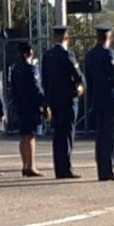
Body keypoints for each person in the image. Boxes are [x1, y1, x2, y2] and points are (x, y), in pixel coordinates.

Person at [42, 25, 85, 179]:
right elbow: (78, 76)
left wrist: (46, 100)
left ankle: (58, 168)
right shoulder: (67, 55)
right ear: (67, 38)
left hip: (54, 100)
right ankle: (66, 169)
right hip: (67, 100)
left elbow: (45, 80)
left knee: (57, 136)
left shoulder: (48, 56)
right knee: (67, 134)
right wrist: (81, 87)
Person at [85, 24, 114, 182]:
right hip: (111, 99)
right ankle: (108, 170)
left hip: (97, 98)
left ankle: (101, 168)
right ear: (109, 37)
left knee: (100, 136)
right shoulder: (109, 53)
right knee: (110, 136)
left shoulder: (90, 55)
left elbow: (89, 79)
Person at [10, 43, 45, 177]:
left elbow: (13, 88)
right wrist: (43, 102)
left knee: (24, 136)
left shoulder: (15, 68)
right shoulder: (31, 69)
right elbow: (37, 88)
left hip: (20, 105)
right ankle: (31, 165)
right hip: (31, 105)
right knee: (30, 136)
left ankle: (25, 164)